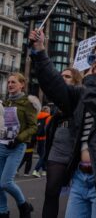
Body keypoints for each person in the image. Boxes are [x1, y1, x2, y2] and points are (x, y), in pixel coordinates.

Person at [29, 29, 96, 218]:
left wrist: (90, 83)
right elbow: (56, 86)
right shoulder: (85, 92)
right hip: (80, 178)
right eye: (92, 58)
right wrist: (40, 51)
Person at [42, 68, 82, 218]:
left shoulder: (81, 96)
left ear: (76, 81)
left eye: (67, 76)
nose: (63, 78)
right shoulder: (58, 99)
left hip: (77, 152)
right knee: (51, 191)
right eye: (61, 76)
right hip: (57, 150)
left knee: (79, 196)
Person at [1, 73, 38, 218]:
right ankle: (3, 211)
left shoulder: (28, 104)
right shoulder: (5, 103)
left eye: (14, 82)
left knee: (5, 182)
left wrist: (18, 139)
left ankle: (24, 205)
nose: (10, 84)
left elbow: (33, 127)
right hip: (2, 145)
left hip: (17, 146)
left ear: (22, 84)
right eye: (9, 82)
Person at [32, 105, 51, 178]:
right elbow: (48, 128)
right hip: (45, 138)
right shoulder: (48, 117)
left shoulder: (37, 117)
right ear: (48, 111)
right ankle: (36, 170)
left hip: (38, 138)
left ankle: (44, 170)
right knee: (43, 155)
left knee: (41, 154)